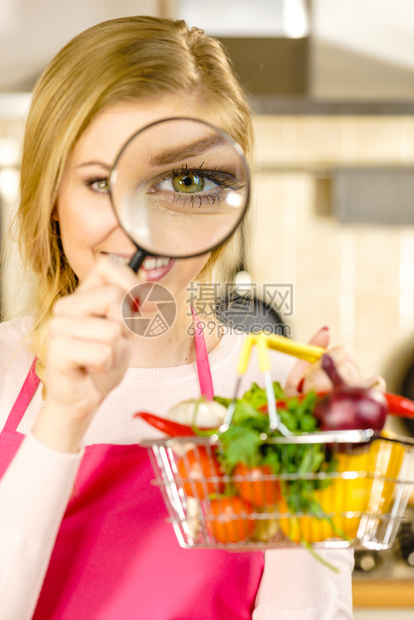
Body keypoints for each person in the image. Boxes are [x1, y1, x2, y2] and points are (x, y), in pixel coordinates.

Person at [0, 16, 365, 620]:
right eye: (102, 183)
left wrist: (309, 473)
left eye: (186, 180)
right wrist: (62, 420)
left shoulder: (273, 393)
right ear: (51, 197)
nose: (143, 225)